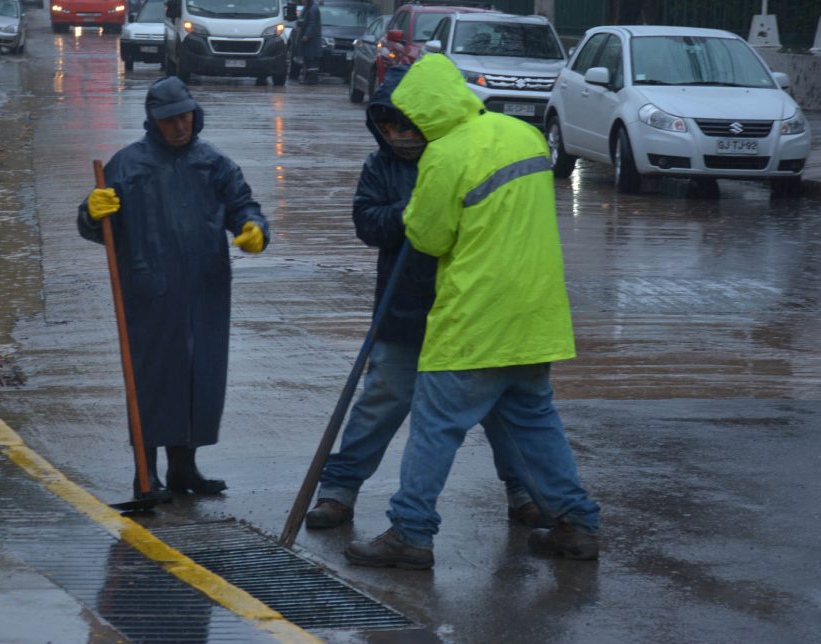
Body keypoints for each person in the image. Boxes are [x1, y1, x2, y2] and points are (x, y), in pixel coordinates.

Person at [344, 54, 600, 569]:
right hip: (535, 315)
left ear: (424, 110)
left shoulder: (445, 155)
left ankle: (411, 532)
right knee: (534, 422)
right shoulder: (524, 135)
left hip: (476, 320)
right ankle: (576, 524)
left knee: (435, 427)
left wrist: (416, 210)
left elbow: (429, 237)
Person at [305, 65, 553, 532]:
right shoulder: (380, 167)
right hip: (404, 307)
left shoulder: (462, 152)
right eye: (387, 127)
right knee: (382, 400)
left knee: (502, 409)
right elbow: (367, 223)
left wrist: (435, 204)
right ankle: (339, 490)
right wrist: (413, 210)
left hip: (468, 310)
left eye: (403, 124)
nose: (397, 135)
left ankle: (525, 493)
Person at [77, 76, 269, 499]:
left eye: (184, 117)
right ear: (154, 121)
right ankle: (145, 476)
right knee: (152, 379)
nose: (179, 126)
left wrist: (255, 228)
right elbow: (95, 227)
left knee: (198, 377)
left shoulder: (214, 164)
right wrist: (92, 213)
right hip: (150, 292)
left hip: (205, 289)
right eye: (169, 120)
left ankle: (184, 469)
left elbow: (243, 206)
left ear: (194, 114)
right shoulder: (128, 165)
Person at [297, 0, 321, 84]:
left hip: (312, 40)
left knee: (312, 59)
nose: (301, 1)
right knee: (307, 58)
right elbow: (303, 20)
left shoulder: (313, 8)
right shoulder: (308, 7)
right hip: (309, 39)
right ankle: (308, 78)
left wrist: (307, 35)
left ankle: (311, 79)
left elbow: (312, 23)